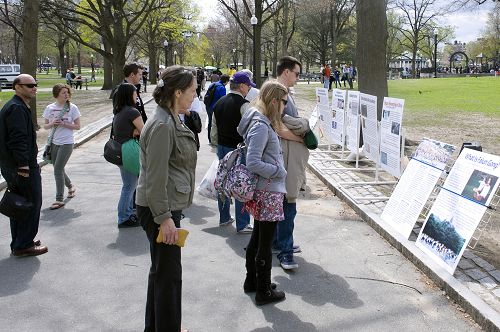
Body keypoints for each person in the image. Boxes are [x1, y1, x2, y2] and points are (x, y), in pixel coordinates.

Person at [136, 66, 198, 332]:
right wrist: (164, 219)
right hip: (160, 209)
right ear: (178, 92)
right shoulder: (162, 125)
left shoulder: (169, 118)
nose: (196, 95)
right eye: (193, 90)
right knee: (169, 276)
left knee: (162, 273)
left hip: (163, 206)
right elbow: (155, 177)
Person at [237, 80, 288, 305]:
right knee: (264, 244)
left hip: (265, 189)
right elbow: (253, 162)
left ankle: (254, 282)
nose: (285, 106)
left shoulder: (260, 121)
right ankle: (263, 290)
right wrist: (278, 171)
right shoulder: (260, 124)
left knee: (258, 239)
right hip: (267, 190)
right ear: (274, 101)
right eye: (284, 101)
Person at [0, 74, 47, 257]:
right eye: (29, 85)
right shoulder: (16, 108)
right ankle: (23, 245)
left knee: (19, 204)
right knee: (31, 203)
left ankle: (20, 241)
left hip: (15, 165)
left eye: (35, 85)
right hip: (20, 166)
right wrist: (23, 166)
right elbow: (18, 139)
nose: (34, 88)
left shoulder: (16, 106)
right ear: (17, 87)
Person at [211, 71, 253, 233]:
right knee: (240, 183)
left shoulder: (219, 102)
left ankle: (224, 217)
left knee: (222, 181)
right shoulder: (244, 105)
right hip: (238, 149)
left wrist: (216, 145)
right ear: (242, 86)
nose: (249, 89)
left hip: (222, 147)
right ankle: (242, 224)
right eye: (248, 86)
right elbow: (249, 129)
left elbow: (213, 129)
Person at [274, 55, 305, 270]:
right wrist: (301, 137)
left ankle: (281, 243)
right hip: (283, 159)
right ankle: (285, 249)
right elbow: (276, 124)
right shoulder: (277, 92)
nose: (297, 77)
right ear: (286, 71)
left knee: (283, 205)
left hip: (287, 157)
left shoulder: (283, 92)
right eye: (296, 73)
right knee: (287, 206)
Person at [42, 84, 81, 210]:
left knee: (57, 168)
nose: (66, 95)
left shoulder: (72, 108)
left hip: (67, 143)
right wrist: (53, 123)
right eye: (63, 92)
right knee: (58, 167)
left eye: (67, 92)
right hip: (53, 142)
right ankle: (70, 186)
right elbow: (45, 126)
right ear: (57, 94)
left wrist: (64, 123)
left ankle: (59, 199)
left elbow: (77, 126)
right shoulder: (50, 108)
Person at [112, 83, 144, 228]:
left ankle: (128, 213)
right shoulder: (133, 112)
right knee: (129, 186)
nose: (137, 94)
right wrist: (136, 132)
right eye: (135, 92)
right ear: (129, 95)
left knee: (129, 184)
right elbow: (145, 131)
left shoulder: (119, 111)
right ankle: (124, 217)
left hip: (120, 150)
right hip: (129, 150)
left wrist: (134, 131)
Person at [205, 74, 230, 145]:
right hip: (216, 108)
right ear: (226, 81)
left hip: (208, 106)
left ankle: (210, 139)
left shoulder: (213, 84)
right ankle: (215, 139)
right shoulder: (222, 88)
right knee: (216, 124)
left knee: (210, 123)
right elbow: (223, 99)